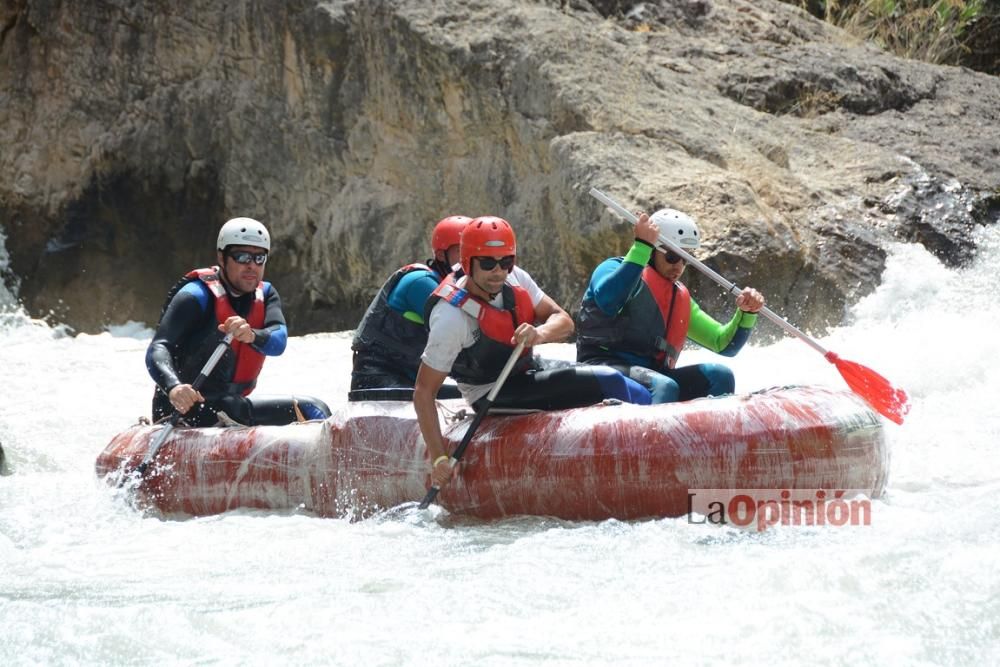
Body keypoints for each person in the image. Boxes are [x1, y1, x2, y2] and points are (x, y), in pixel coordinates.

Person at [414, 216, 651, 489]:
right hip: (492, 391)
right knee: (609, 381)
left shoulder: (515, 278)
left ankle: (662, 424)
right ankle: (653, 445)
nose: (499, 272)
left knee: (633, 378)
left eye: (505, 262)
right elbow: (423, 391)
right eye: (488, 264)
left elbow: (563, 320)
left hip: (526, 369)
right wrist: (438, 457)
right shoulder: (451, 318)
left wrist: (539, 334)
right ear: (467, 263)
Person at [146, 217, 331, 427]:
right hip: (184, 410)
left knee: (314, 410)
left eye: (259, 258)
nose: (251, 266)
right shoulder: (195, 295)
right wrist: (174, 387)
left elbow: (278, 342)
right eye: (242, 257)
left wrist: (252, 335)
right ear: (222, 258)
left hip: (232, 407)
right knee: (232, 406)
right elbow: (159, 348)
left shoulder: (267, 295)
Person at [576, 207, 765, 404]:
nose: (678, 266)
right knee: (664, 385)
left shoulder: (678, 298)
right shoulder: (611, 268)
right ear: (652, 251)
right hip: (603, 370)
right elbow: (609, 302)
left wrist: (746, 313)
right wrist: (641, 246)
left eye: (685, 258)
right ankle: (653, 434)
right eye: (672, 257)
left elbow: (723, 344)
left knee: (720, 375)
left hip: (655, 377)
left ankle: (711, 434)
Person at [349, 215, 471, 398]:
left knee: (463, 395)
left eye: (474, 253)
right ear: (440, 255)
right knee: (466, 396)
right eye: (461, 252)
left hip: (408, 381)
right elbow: (465, 333)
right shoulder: (421, 282)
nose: (469, 259)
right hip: (376, 381)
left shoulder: (453, 288)